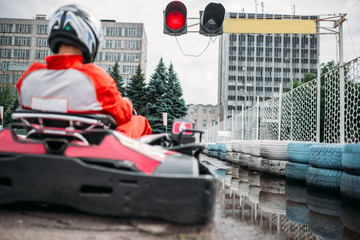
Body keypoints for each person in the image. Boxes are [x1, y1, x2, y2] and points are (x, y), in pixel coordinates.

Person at [16, 4, 151, 138]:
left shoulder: (28, 78)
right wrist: (127, 102)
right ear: (89, 36)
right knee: (140, 121)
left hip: (41, 140)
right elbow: (123, 115)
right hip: (92, 148)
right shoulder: (95, 78)